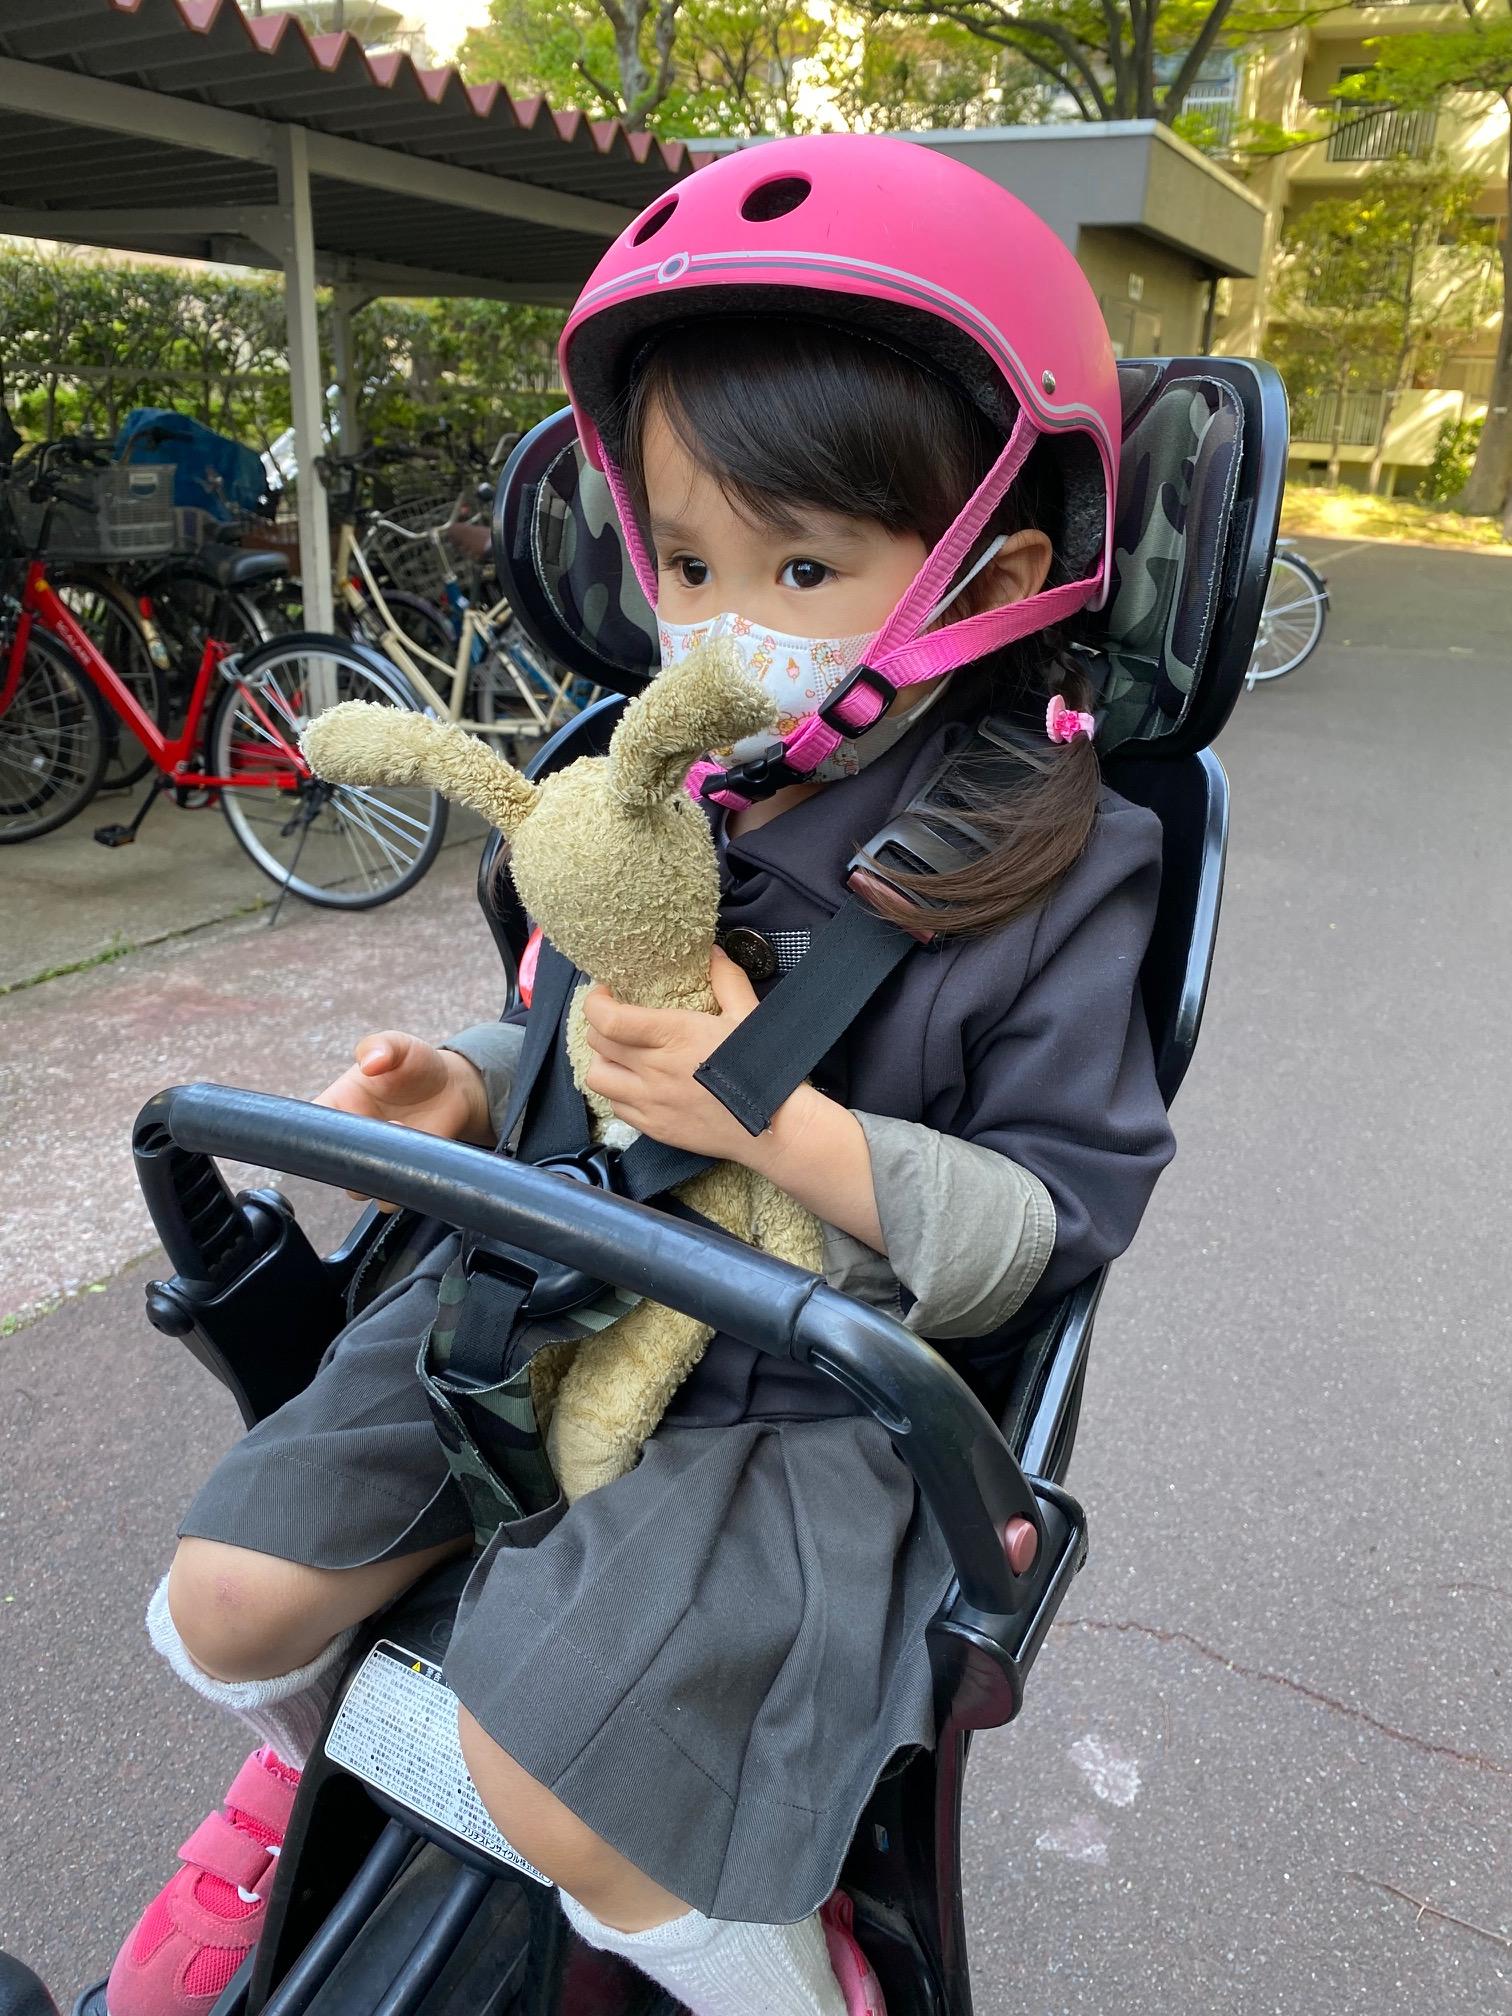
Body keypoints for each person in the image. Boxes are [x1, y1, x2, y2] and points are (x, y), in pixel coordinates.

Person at [104, 133, 1175, 2016]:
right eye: (687, 562)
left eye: (799, 565)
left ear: (995, 569)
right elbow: (580, 1024)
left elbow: (1052, 1225)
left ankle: (776, 1970)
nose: (722, 619)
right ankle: (316, 1760)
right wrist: (470, 1079)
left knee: (550, 1773)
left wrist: (789, 1127)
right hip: (547, 1280)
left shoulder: (1061, 865)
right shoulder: (656, 777)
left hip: (800, 1397)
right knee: (221, 1603)